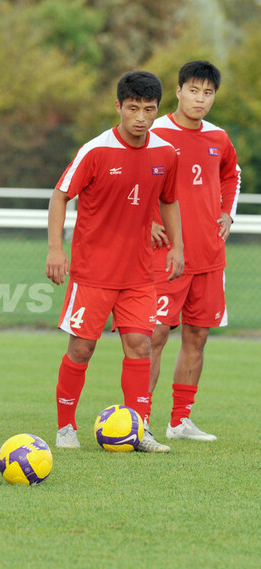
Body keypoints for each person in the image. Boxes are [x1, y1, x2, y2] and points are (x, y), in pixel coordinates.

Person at [45, 70, 184, 453]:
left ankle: (140, 429)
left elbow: (169, 200)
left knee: (140, 344)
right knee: (81, 349)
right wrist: (56, 250)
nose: (141, 117)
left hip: (138, 274)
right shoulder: (96, 150)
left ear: (158, 109)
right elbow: (60, 196)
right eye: (133, 108)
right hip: (92, 273)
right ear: (119, 106)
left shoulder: (165, 153)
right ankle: (65, 428)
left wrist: (178, 246)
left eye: (149, 109)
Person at [147, 61, 241, 441]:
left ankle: (179, 421)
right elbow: (132, 179)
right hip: (166, 256)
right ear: (179, 91)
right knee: (153, 335)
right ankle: (138, 419)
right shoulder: (155, 133)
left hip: (209, 257)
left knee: (197, 337)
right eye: (194, 90)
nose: (200, 99)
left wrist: (227, 213)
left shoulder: (219, 137)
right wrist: (146, 220)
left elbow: (232, 174)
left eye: (208, 92)